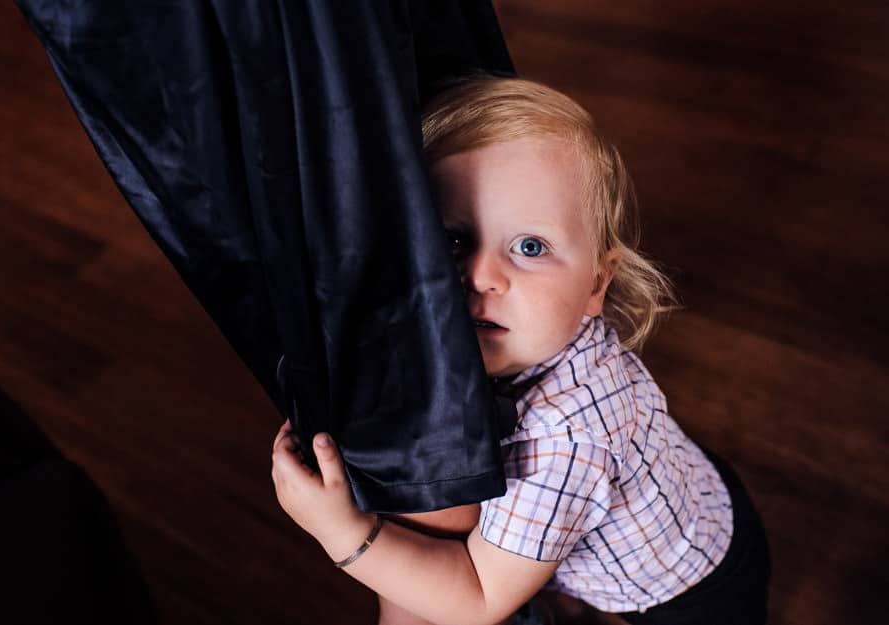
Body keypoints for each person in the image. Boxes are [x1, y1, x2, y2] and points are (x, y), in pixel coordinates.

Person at [271, 76, 771, 625]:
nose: (482, 275)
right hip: (691, 493)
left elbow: (479, 599)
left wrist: (343, 533)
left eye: (530, 247)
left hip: (692, 588)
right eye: (453, 239)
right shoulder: (530, 338)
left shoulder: (567, 436)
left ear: (597, 284)